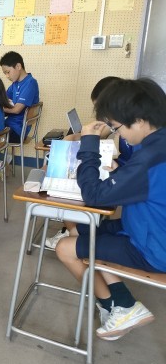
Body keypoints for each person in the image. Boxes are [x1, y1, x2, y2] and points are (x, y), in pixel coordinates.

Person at [54, 78, 166, 341]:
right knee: (82, 230)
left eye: (117, 128)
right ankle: (120, 302)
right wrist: (122, 175)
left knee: (64, 248)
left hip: (154, 248)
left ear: (139, 120)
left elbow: (93, 195)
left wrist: (89, 143)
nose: (119, 135)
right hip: (145, 228)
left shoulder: (149, 159)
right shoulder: (156, 144)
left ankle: (119, 307)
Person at [45, 76, 140, 249]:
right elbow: (101, 134)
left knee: (74, 185)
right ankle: (74, 230)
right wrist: (78, 136)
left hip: (124, 184)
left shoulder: (134, 133)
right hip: (121, 174)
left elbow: (96, 192)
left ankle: (72, 232)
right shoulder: (123, 122)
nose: (101, 116)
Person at [0, 51, 39, 144]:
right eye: (5, 73)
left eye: (8, 72)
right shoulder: (15, 84)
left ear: (18, 66)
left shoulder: (30, 83)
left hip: (18, 131)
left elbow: (16, 110)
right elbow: (2, 98)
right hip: (10, 125)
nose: (7, 76)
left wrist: (0, 108)